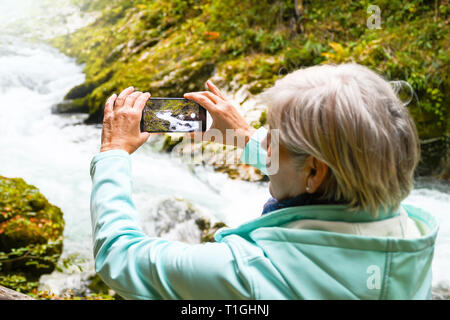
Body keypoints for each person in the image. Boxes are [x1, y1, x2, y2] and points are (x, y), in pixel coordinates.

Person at [90, 63, 438, 300]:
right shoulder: (409, 233)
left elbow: (120, 258)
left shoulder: (248, 272)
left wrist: (113, 154)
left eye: (273, 137)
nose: (265, 142)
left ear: (314, 173)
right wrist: (244, 138)